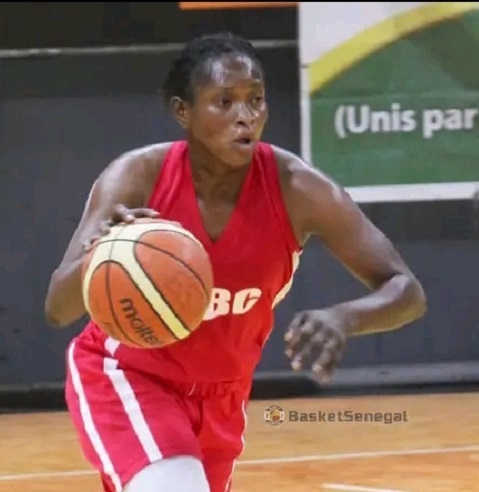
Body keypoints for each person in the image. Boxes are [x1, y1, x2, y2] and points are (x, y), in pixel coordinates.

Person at [44, 32, 427, 492]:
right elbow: (57, 308)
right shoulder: (137, 177)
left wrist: (345, 318)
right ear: (182, 111)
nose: (245, 116)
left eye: (256, 100)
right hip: (128, 376)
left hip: (223, 396)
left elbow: (407, 291)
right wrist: (102, 253)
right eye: (223, 102)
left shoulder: (299, 189)